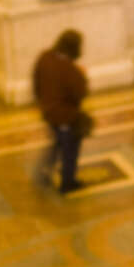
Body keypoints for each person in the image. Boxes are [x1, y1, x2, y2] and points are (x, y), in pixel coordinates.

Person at [33, 29, 89, 194]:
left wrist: (42, 103)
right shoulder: (70, 69)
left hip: (48, 112)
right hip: (65, 117)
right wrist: (83, 76)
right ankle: (67, 182)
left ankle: (43, 174)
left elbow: (36, 83)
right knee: (70, 149)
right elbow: (80, 94)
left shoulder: (44, 58)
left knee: (57, 144)